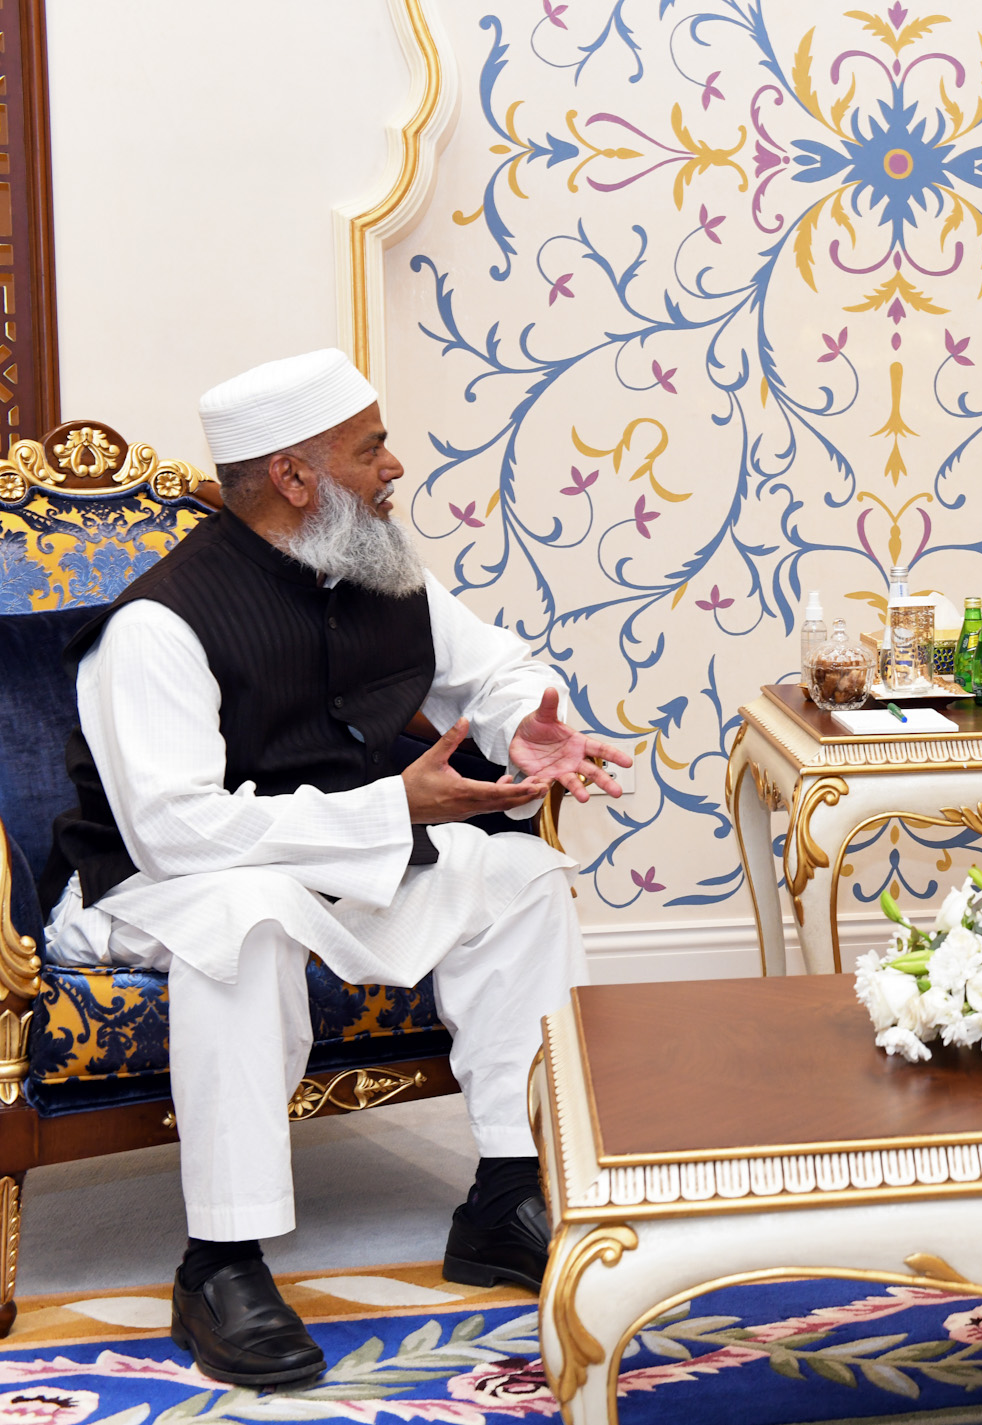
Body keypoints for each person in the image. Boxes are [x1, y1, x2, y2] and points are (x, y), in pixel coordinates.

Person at [36, 349, 632, 1387]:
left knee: (520, 882)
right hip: (156, 888)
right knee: (246, 918)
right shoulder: (157, 626)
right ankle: (220, 1262)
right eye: (369, 450)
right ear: (295, 476)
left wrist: (525, 727)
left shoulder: (378, 567)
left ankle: (505, 1192)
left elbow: (492, 669)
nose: (393, 466)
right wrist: (391, 806)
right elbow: (178, 834)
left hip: (335, 865)